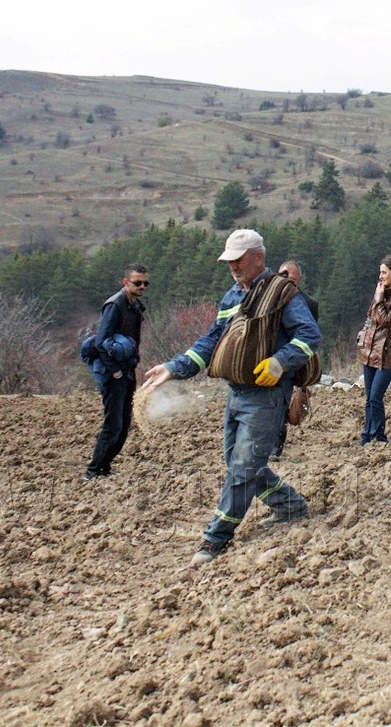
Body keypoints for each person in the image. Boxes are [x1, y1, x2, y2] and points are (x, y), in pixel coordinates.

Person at [143, 229, 320, 566]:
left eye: (239, 259)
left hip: (267, 396)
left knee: (243, 467)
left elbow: (310, 335)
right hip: (236, 391)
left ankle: (215, 539)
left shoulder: (283, 294)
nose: (233, 266)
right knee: (240, 464)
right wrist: (173, 367)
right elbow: (211, 341)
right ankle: (289, 505)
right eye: (229, 261)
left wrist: (280, 363)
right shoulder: (230, 299)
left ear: (259, 258)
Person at [84, 264, 148, 481]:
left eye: (144, 283)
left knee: (124, 424)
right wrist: (114, 372)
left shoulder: (134, 306)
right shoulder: (115, 305)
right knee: (113, 424)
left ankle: (104, 468)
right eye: (137, 283)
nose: (141, 287)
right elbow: (102, 341)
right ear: (125, 282)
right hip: (114, 373)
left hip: (128, 370)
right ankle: (93, 471)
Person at [356, 255, 391, 446]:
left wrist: (379, 299)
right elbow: (370, 317)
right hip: (369, 351)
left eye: (384, 273)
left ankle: (378, 436)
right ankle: (367, 435)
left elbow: (386, 320)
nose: (380, 276)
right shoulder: (380, 292)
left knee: (375, 397)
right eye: (380, 272)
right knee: (368, 398)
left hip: (387, 355)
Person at [273, 259, 317, 460]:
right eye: (282, 275)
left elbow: (310, 335)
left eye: (290, 276)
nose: (286, 279)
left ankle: (274, 450)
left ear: (299, 279)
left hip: (288, 363)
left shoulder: (309, 304)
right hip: (267, 360)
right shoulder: (268, 298)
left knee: (281, 407)